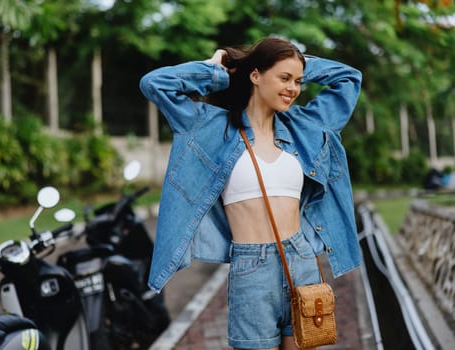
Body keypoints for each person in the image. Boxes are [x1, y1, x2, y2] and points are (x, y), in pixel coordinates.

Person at [139, 36, 362, 350]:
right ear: (255, 76)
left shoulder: (305, 126)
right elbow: (154, 83)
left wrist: (300, 62)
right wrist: (214, 71)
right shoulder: (209, 126)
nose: (293, 88)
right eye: (284, 78)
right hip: (251, 267)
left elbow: (349, 79)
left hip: (302, 261)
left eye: (298, 81)